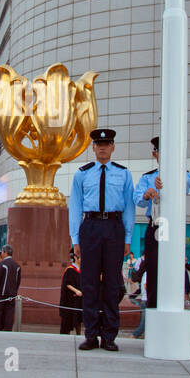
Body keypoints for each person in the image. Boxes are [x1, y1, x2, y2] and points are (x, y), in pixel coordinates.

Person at [70, 127, 135, 351]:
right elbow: (75, 207)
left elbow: (129, 208)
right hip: (90, 227)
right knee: (88, 282)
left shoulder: (124, 173)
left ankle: (109, 336)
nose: (103, 149)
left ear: (113, 148)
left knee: (111, 284)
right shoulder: (82, 173)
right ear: (93, 148)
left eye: (107, 145)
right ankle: (90, 334)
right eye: (99, 145)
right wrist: (75, 240)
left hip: (114, 227)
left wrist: (128, 238)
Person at [133, 135, 190, 309]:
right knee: (153, 266)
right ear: (155, 155)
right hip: (156, 223)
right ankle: (152, 305)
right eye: (160, 152)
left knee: (173, 265)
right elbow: (137, 198)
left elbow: (187, 183)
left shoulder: (183, 174)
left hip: (172, 223)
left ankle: (174, 303)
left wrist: (169, 179)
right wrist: (148, 193)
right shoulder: (148, 177)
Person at [0, 244, 20, 331]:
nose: (1, 254)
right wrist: (14, 291)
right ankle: (7, 330)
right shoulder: (17, 266)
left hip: (1, 294)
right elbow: (18, 281)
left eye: (2, 252)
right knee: (9, 315)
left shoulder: (2, 264)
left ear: (5, 253)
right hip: (12, 295)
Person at [60, 251, 83, 335]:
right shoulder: (70, 270)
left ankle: (78, 334)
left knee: (78, 318)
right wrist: (76, 291)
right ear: (75, 258)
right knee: (68, 319)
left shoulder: (82, 270)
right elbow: (67, 284)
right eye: (80, 257)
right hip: (70, 299)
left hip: (79, 299)